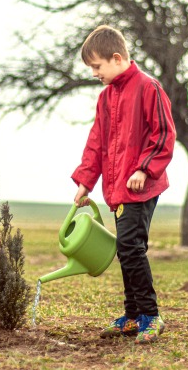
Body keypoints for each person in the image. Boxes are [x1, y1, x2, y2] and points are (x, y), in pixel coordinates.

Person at [72, 25, 176, 344]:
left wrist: (144, 169)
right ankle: (132, 317)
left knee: (131, 247)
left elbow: (163, 134)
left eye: (97, 66)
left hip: (141, 187)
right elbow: (96, 142)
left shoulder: (148, 88)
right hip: (117, 190)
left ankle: (150, 315)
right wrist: (85, 181)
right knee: (126, 249)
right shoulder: (106, 98)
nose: (94, 73)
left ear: (116, 58)